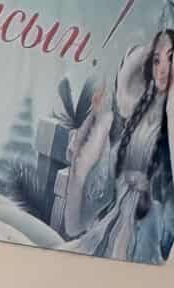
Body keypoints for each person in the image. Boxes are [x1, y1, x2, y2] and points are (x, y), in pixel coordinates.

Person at [60, 31, 172, 263]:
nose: (163, 68)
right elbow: (112, 165)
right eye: (157, 60)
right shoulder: (139, 113)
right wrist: (95, 128)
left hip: (151, 221)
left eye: (171, 58)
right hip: (120, 211)